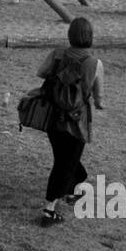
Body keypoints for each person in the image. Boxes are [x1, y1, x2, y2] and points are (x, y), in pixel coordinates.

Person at [36, 16, 104, 226]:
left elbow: (41, 73)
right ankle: (49, 210)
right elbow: (99, 98)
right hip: (77, 121)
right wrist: (98, 103)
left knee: (64, 160)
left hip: (53, 117)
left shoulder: (57, 54)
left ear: (70, 35)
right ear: (90, 36)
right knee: (64, 165)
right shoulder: (95, 64)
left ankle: (73, 189)